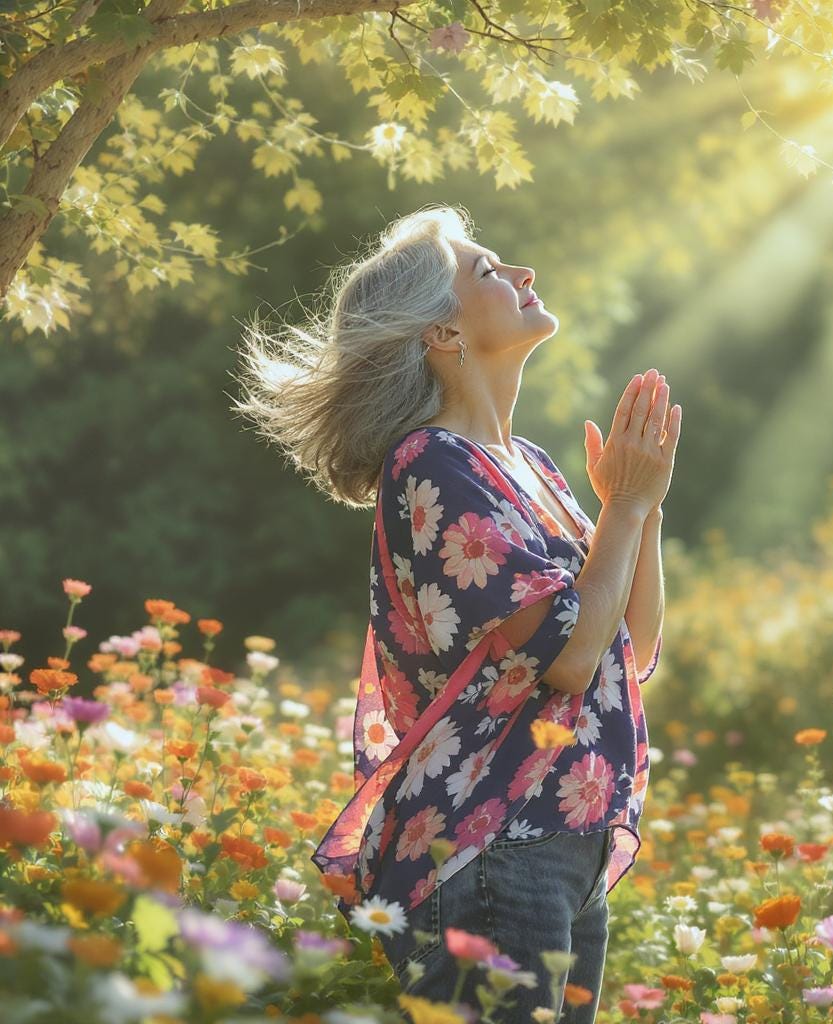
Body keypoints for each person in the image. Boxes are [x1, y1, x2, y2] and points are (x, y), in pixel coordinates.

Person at [230, 203, 681, 1024]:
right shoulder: (431, 463)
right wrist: (620, 513)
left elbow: (632, 642)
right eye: (488, 270)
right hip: (489, 845)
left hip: (555, 841)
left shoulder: (530, 466)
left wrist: (636, 505)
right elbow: (571, 658)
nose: (522, 275)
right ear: (440, 333)